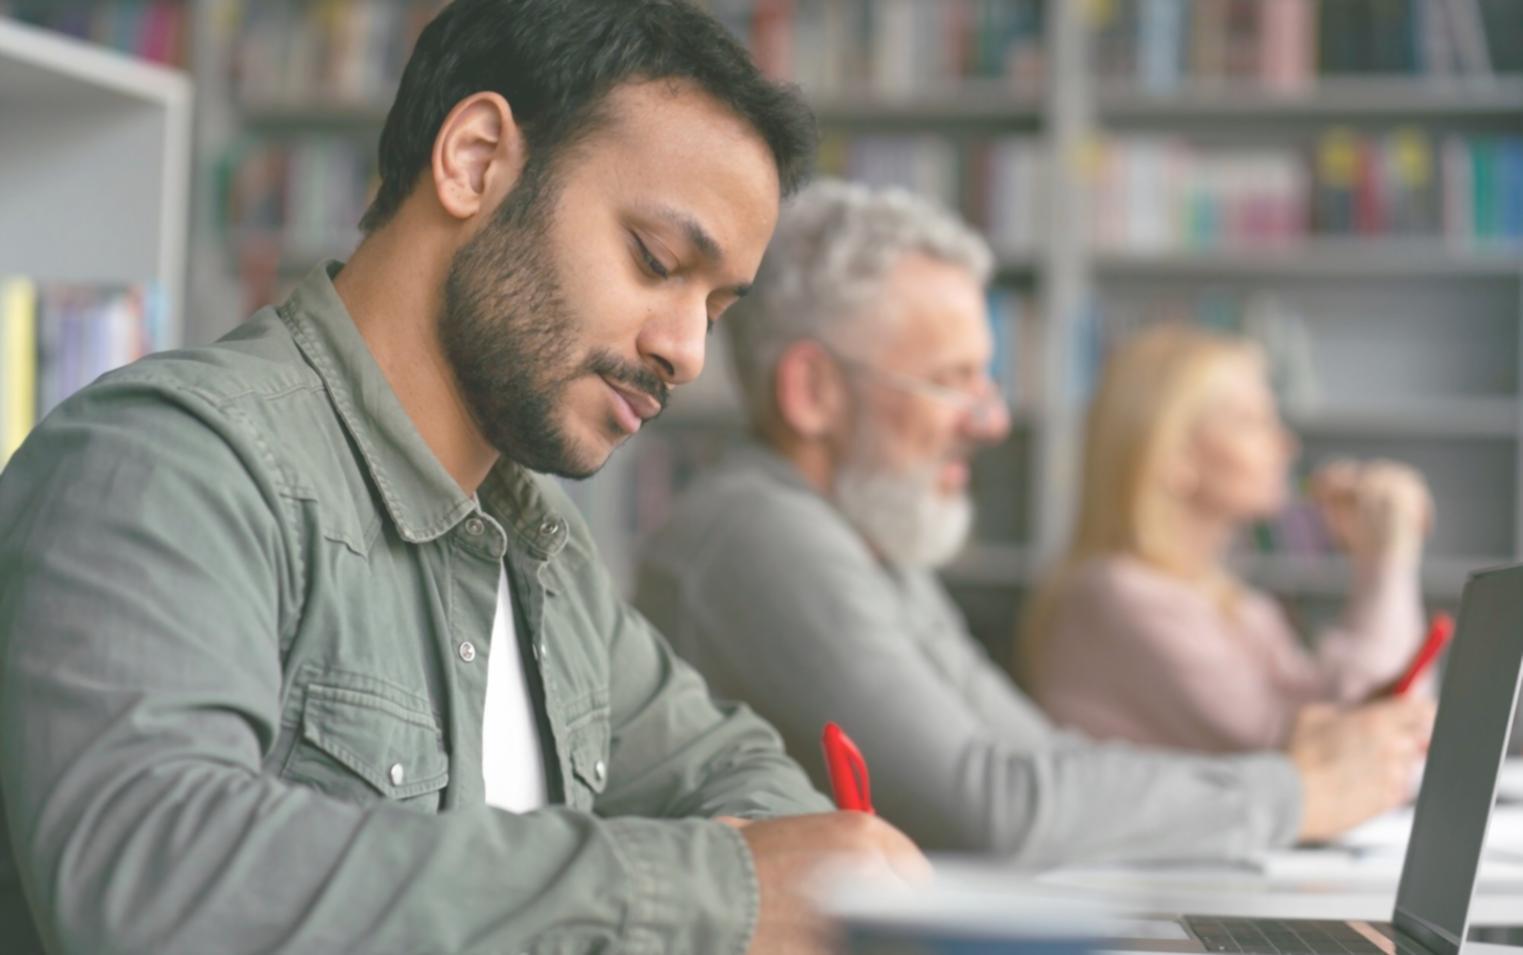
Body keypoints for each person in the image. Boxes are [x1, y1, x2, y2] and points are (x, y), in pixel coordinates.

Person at [0, 4, 925, 953]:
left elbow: (731, 771)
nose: (686, 351)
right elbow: (155, 878)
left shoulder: (543, 554)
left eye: (716, 307)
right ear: (476, 158)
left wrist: (800, 871)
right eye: (656, 261)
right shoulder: (167, 462)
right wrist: (708, 888)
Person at [633, 180, 1433, 866]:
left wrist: (1291, 784)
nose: (991, 418)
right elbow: (989, 807)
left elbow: (1041, 756)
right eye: (953, 380)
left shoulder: (861, 537)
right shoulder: (759, 533)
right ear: (813, 391)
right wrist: (1295, 791)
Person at [1021, 324, 1434, 753]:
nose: (1286, 444)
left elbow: (1390, 725)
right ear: (1172, 456)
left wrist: (1382, 560)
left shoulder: (1239, 606)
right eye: (1252, 422)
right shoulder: (1117, 597)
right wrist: (1385, 563)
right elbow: (1328, 755)